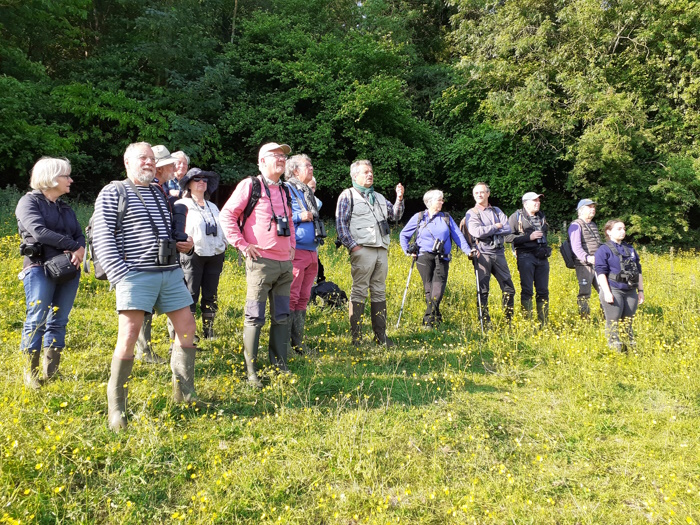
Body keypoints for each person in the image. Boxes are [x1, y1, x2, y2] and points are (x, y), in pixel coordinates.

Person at [92, 142, 204, 432]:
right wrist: (121, 276)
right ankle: (118, 409)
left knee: (188, 329)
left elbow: (166, 233)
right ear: (127, 161)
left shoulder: (158, 192)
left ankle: (185, 394)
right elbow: (102, 237)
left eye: (152, 159)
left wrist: (185, 245)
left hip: (169, 272)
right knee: (129, 336)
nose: (149, 163)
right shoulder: (114, 190)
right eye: (143, 158)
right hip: (135, 274)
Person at [219, 142, 296, 388]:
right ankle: (251, 370)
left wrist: (292, 245)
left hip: (285, 264)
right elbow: (227, 214)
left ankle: (279, 364)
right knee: (255, 316)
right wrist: (241, 244)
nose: (282, 159)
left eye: (283, 156)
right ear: (262, 161)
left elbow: (290, 220)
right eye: (276, 155)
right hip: (261, 263)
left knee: (282, 315)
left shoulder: (285, 189)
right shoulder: (250, 185)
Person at [15, 157, 85, 389]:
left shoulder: (65, 207)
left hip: (68, 270)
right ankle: (31, 373)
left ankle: (51, 371)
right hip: (38, 268)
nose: (71, 180)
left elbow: (79, 234)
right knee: (36, 319)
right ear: (51, 177)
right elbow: (39, 232)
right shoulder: (28, 202)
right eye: (66, 175)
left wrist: (79, 247)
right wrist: (72, 245)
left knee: (59, 320)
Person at [335, 160, 404, 347]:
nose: (370, 175)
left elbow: (395, 216)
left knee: (379, 291)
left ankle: (380, 336)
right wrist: (353, 247)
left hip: (381, 249)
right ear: (355, 175)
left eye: (371, 171)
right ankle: (357, 337)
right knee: (359, 291)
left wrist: (399, 198)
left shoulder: (380, 197)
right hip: (362, 249)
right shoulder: (347, 195)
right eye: (366, 172)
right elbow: (341, 224)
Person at [134, 144, 183, 364]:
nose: (175, 167)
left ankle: (150, 349)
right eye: (171, 164)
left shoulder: (161, 188)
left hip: (164, 257)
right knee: (145, 305)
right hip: (147, 259)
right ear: (161, 168)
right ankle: (143, 351)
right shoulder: (150, 189)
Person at [399, 190, 472, 329]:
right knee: (428, 288)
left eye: (442, 199)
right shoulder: (419, 217)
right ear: (430, 201)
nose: (442, 202)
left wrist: (468, 251)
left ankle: (428, 318)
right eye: (440, 199)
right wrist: (407, 250)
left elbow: (458, 236)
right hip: (424, 256)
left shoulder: (446, 217)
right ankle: (434, 319)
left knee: (438, 288)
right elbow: (404, 235)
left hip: (442, 257)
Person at [175, 168, 227, 340]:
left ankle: (208, 331)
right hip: (193, 254)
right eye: (196, 179)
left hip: (215, 254)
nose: (201, 182)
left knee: (211, 294)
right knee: (190, 294)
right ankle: (188, 332)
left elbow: (222, 229)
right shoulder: (182, 205)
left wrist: (224, 244)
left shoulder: (213, 207)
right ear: (188, 184)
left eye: (204, 179)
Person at [285, 154, 323, 353]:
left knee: (304, 296)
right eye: (307, 166)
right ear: (295, 171)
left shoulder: (306, 191)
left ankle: (298, 342)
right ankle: (286, 345)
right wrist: (301, 215)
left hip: (311, 250)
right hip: (296, 249)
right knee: (291, 295)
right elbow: (282, 214)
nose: (311, 168)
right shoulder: (287, 189)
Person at [466, 182, 515, 327]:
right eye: (476, 193)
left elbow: (508, 228)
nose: (479, 195)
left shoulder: (497, 210)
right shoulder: (472, 213)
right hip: (482, 254)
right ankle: (485, 321)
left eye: (482, 192)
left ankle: (508, 321)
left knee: (509, 288)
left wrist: (491, 229)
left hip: (499, 253)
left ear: (488, 193)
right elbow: (476, 232)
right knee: (483, 289)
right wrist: (495, 226)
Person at [595, 220, 644, 352]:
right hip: (613, 289)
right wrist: (607, 292)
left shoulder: (630, 249)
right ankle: (615, 352)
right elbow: (600, 272)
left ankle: (630, 350)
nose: (623, 231)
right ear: (609, 232)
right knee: (613, 321)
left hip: (630, 290)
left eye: (624, 228)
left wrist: (640, 290)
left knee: (628, 322)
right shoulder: (603, 249)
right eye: (619, 229)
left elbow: (638, 271)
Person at [506, 192, 551, 326]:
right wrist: (528, 237)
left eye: (538, 200)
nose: (538, 203)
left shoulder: (541, 216)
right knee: (527, 290)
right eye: (534, 201)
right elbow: (507, 237)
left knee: (543, 290)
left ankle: (544, 323)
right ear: (525, 203)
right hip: (525, 256)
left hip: (542, 256)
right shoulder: (516, 217)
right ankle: (528, 324)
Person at [568, 199, 602, 318]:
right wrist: (587, 258)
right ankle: (585, 320)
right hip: (584, 265)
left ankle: (606, 317)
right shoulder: (575, 225)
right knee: (584, 293)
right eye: (589, 207)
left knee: (604, 291)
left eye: (594, 207)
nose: (593, 209)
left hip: (598, 264)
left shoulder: (593, 225)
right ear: (581, 210)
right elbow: (576, 247)